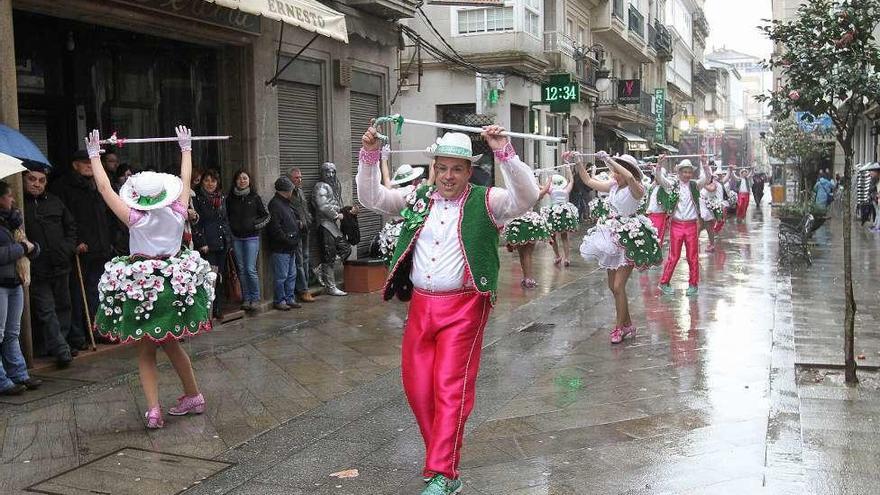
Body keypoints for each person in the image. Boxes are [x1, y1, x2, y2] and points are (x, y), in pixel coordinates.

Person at [357, 125, 538, 494]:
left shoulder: (488, 200)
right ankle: (439, 458)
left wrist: (504, 151)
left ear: (468, 171)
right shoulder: (418, 197)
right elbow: (371, 197)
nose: (448, 176)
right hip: (421, 307)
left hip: (465, 306)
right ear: (433, 169)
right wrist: (370, 156)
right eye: (443, 168)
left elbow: (527, 196)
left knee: (449, 388)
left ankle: (444, 473)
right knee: (418, 388)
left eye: (457, 169)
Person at [86, 126, 215, 429]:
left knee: (145, 350)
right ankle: (192, 395)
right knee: (170, 343)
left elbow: (105, 189)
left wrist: (95, 156)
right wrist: (186, 148)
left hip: (144, 288)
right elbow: (185, 179)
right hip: (172, 284)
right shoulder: (178, 211)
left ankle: (155, 410)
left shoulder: (135, 218)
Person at [576, 153, 661, 344]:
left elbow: (630, 177)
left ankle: (618, 328)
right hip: (611, 236)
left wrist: (609, 161)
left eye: (617, 171)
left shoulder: (636, 188)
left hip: (630, 237)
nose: (614, 174)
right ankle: (628, 324)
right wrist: (577, 161)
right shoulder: (613, 186)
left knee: (618, 286)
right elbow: (588, 180)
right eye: (614, 170)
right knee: (612, 287)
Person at [52, 148, 117, 348]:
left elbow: (108, 216)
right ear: (75, 164)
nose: (90, 165)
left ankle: (99, 330)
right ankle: (79, 335)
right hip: (81, 249)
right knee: (78, 294)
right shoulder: (63, 187)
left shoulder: (99, 184)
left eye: (92, 162)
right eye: (85, 162)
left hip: (101, 247)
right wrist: (75, 242)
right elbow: (65, 220)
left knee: (99, 292)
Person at [24, 168, 75, 368]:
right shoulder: (19, 203)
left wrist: (68, 248)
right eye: (32, 179)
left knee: (63, 306)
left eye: (41, 180)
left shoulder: (55, 201)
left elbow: (70, 226)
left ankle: (60, 344)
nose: (37, 184)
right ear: (24, 180)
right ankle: (61, 349)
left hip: (60, 264)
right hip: (37, 267)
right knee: (46, 310)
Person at [0, 180, 42, 395]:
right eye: (9, 196)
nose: (13, 199)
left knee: (11, 332)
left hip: (14, 280)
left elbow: (26, 245)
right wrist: (22, 248)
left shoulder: (12, 221)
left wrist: (31, 249)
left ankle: (18, 373)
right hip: (1, 283)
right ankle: (2, 380)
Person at [657, 158, 712, 296]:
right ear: (679, 172)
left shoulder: (695, 185)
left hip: (692, 225)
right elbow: (661, 179)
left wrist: (705, 165)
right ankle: (664, 283)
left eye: (689, 172)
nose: (687, 175)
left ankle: (693, 284)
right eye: (684, 172)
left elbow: (707, 178)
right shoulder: (673, 185)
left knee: (692, 257)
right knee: (673, 257)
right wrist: (659, 165)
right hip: (676, 225)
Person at [226, 170, 270, 312]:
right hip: (236, 238)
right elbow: (226, 217)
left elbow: (266, 216)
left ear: (249, 181)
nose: (242, 181)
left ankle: (255, 298)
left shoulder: (255, 197)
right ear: (235, 181)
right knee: (242, 269)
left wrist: (254, 225)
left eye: (245, 178)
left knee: (250, 269)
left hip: (251, 238)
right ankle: (246, 298)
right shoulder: (230, 198)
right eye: (239, 178)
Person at [192, 168, 231, 319]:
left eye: (213, 181)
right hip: (207, 244)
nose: (210, 184)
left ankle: (218, 308)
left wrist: (229, 240)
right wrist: (202, 242)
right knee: (208, 277)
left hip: (221, 242)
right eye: (207, 180)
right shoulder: (197, 198)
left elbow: (225, 220)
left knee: (219, 276)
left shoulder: (221, 198)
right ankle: (207, 310)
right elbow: (197, 223)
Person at [312, 162, 351, 296]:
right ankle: (331, 286)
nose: (330, 174)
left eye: (333, 172)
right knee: (329, 256)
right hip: (324, 225)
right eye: (327, 172)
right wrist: (337, 214)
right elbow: (323, 206)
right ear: (322, 173)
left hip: (332, 225)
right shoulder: (321, 186)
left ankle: (321, 269)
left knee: (345, 249)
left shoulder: (332, 186)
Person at [266, 176, 302, 311]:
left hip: (290, 245)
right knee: (281, 276)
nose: (292, 192)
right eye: (291, 190)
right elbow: (275, 228)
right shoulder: (275, 204)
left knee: (291, 274)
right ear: (286, 191)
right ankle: (280, 300)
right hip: (281, 247)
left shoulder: (286, 203)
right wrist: (287, 240)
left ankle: (289, 297)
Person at [505, 181, 550, 288]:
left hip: (517, 223)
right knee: (528, 254)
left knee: (522, 254)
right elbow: (543, 192)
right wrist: (550, 179)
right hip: (528, 223)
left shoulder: (514, 193)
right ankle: (529, 278)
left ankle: (526, 277)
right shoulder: (531, 194)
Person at [540, 169, 579, 266]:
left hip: (554, 212)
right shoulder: (566, 190)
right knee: (564, 236)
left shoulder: (551, 190)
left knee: (552, 236)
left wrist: (537, 176)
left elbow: (541, 188)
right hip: (564, 213)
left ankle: (558, 256)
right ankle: (567, 258)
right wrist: (568, 168)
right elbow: (572, 181)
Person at [287, 167, 315, 303]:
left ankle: (306, 286)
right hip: (296, 231)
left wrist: (309, 219)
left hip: (306, 230)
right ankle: (303, 290)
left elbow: (305, 209)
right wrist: (298, 222)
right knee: (299, 261)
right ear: (290, 179)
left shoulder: (300, 192)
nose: (299, 180)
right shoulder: (288, 194)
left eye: (300, 177)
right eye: (296, 178)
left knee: (305, 258)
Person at [699, 175, 727, 252]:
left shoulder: (713, 184)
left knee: (708, 228)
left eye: (707, 178)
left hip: (707, 209)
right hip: (701, 208)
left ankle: (711, 244)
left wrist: (703, 184)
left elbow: (712, 189)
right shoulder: (703, 185)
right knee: (700, 226)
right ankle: (695, 243)